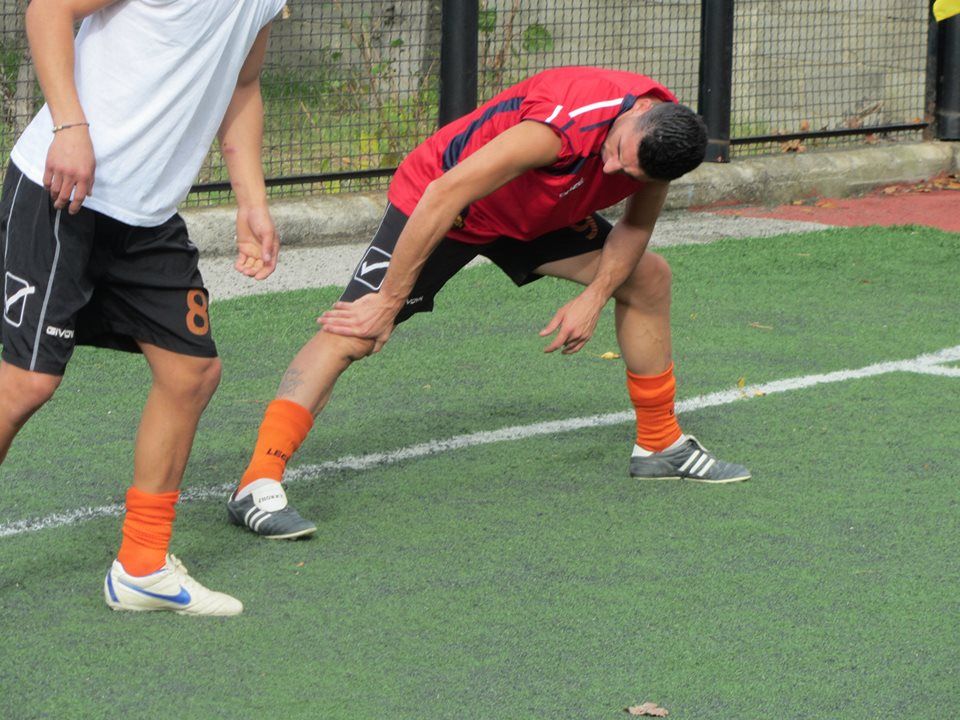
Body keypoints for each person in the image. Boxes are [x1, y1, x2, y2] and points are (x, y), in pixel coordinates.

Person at [228, 66, 750, 540]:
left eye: (629, 174)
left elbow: (634, 227)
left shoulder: (661, 141)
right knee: (356, 331)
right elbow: (444, 193)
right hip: (448, 206)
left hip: (535, 213)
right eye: (615, 152)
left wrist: (594, 298)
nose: (612, 170)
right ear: (638, 110)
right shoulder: (561, 126)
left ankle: (659, 443)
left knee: (648, 278)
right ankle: (257, 483)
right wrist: (388, 300)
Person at [0, 0, 287, 615]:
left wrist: (253, 201)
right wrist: (69, 127)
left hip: (148, 217)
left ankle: (141, 567)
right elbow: (48, 10)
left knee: (191, 372)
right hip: (60, 189)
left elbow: (242, 83)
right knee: (26, 384)